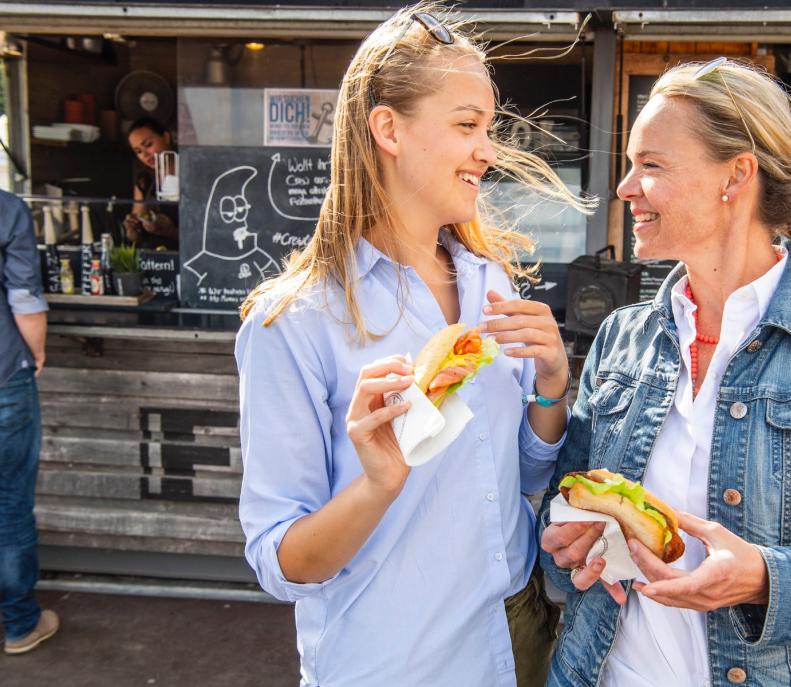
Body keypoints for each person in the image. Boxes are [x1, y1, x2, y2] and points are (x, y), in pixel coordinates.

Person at [538, 58, 791, 687]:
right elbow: (562, 522)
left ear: (736, 175)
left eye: (651, 165)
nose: (624, 187)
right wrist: (570, 541)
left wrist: (764, 580)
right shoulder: (621, 339)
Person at [235, 5, 590, 686]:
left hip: (517, 637)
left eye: (487, 128)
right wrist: (378, 484)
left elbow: (524, 473)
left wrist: (551, 379)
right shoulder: (295, 321)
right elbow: (280, 561)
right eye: (466, 126)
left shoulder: (490, 279)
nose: (487, 150)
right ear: (388, 129)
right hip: (396, 659)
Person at [0, 190, 60, 655]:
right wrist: (36, 351)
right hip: (4, 376)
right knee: (9, 503)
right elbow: (24, 296)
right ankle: (20, 624)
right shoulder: (5, 209)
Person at [122, 117, 179, 249]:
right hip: (154, 257)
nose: (145, 155)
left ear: (166, 137)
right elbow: (136, 235)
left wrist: (172, 232)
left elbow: (207, 233)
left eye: (148, 145)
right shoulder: (144, 180)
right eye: (138, 151)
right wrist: (132, 229)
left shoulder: (190, 173)